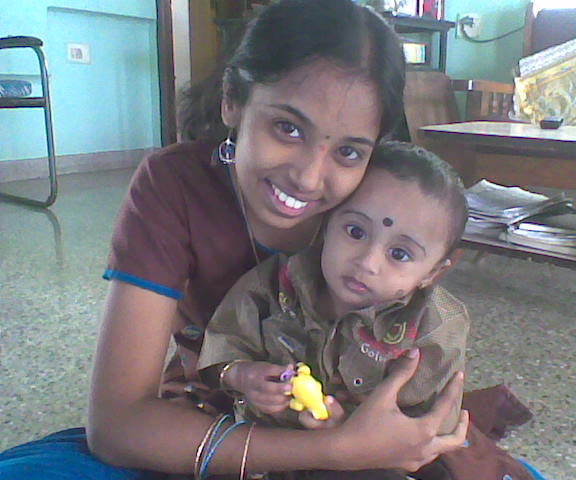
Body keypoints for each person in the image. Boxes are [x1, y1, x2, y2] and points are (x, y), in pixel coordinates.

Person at [0, 1, 470, 479]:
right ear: (233, 100)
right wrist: (335, 451)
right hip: (209, 423)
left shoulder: (376, 203)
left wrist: (376, 441)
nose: (308, 178)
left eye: (348, 151)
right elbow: (117, 426)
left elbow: (417, 404)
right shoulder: (176, 185)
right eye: (288, 128)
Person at [196, 142, 470, 479]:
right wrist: (241, 376)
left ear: (433, 272)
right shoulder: (274, 284)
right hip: (269, 450)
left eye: (399, 254)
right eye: (355, 232)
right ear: (327, 223)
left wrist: (350, 432)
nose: (367, 262)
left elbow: (427, 431)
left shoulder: (435, 327)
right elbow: (222, 344)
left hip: (369, 463)